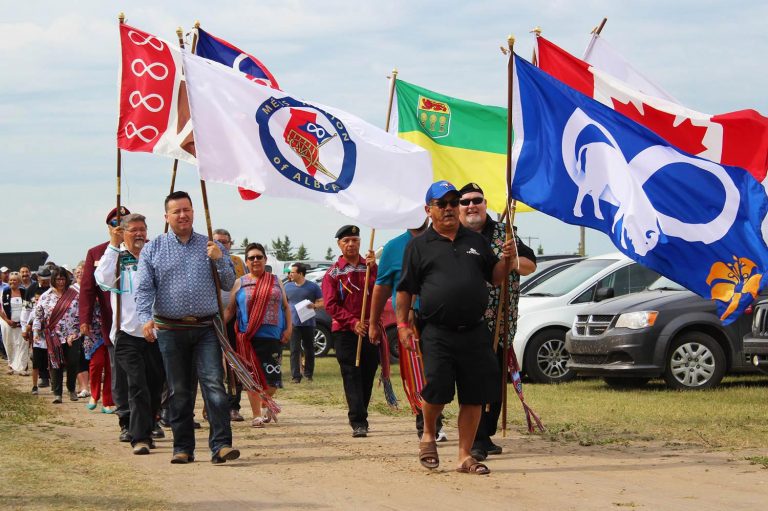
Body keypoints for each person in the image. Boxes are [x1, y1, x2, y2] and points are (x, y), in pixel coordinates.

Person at [396, 180, 514, 475]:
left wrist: (507, 260)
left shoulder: (476, 241)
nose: (449, 208)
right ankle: (427, 435)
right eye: (442, 204)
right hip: (437, 330)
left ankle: (464, 456)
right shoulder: (418, 246)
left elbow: (495, 277)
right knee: (437, 388)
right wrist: (402, 324)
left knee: (475, 394)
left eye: (453, 203)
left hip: (475, 330)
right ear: (429, 210)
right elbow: (405, 289)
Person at [135, 190, 239, 465]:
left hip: (206, 328)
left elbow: (229, 283)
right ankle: (182, 448)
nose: (183, 215)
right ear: (166, 216)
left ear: (194, 212)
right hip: (170, 330)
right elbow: (144, 289)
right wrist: (146, 317)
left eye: (187, 209)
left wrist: (219, 258)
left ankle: (221, 445)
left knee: (214, 386)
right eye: (177, 211)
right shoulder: (153, 248)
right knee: (179, 391)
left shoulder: (211, 246)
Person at [458, 182, 537, 461]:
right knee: (472, 381)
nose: (471, 206)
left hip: (500, 327)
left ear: (485, 203)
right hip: (464, 324)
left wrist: (511, 258)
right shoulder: (452, 237)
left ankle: (485, 434)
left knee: (494, 381)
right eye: (465, 201)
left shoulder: (506, 234)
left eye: (476, 200)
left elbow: (530, 266)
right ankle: (477, 439)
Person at [368, 219, 448, 442]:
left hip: (443, 320)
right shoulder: (394, 247)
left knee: (439, 374)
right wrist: (374, 322)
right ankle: (427, 426)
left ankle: (435, 423)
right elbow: (382, 288)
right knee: (420, 377)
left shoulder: (446, 240)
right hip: (410, 323)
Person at [96, 213, 164, 455]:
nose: (139, 234)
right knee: (137, 386)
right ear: (123, 233)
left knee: (156, 386)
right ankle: (140, 437)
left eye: (142, 229)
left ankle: (149, 424)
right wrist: (113, 246)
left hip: (156, 333)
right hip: (127, 334)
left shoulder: (154, 255)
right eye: (133, 229)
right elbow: (102, 279)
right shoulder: (117, 258)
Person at [224, 243, 292, 428]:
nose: (255, 260)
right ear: (246, 262)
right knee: (251, 378)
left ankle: (265, 403)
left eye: (259, 257)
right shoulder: (240, 283)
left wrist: (289, 328)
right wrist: (217, 327)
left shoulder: (276, 280)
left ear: (265, 259)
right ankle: (256, 416)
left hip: (273, 336)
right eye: (251, 258)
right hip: (248, 337)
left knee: (272, 381)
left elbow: (286, 307)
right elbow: (230, 309)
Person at [321, 225, 380, 438]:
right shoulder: (333, 273)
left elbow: (379, 292)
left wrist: (374, 269)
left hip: (370, 327)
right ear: (339, 244)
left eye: (355, 240)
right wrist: (352, 321)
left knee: (368, 373)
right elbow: (330, 305)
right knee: (351, 373)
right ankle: (358, 421)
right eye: (346, 240)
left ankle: (361, 411)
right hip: (345, 331)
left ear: (360, 242)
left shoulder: (371, 267)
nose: (351, 244)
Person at [81, 207, 131, 441]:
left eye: (124, 221)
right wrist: (84, 319)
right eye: (114, 222)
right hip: (113, 324)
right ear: (108, 226)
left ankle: (153, 416)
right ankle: (126, 419)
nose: (119, 226)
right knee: (118, 372)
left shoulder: (145, 247)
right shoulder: (96, 252)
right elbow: (88, 290)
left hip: (144, 324)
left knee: (150, 375)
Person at [32, 267, 82, 403]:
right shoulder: (45, 296)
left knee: (72, 362)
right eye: (58, 279)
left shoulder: (75, 295)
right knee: (55, 364)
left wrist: (76, 333)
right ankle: (58, 393)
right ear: (53, 280)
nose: (61, 282)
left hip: (72, 335)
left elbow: (81, 315)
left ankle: (71, 388)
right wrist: (36, 332)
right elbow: (38, 316)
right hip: (53, 336)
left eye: (63, 279)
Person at [213, 228, 246, 422]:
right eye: (217, 241)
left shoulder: (238, 262)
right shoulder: (205, 258)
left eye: (224, 242)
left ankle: (233, 406)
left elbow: (247, 285)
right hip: (210, 318)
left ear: (230, 243)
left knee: (234, 364)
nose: (221, 245)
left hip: (234, 318)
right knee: (212, 366)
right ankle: (214, 407)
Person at [285, 263, 323, 383]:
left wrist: (314, 305)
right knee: (294, 350)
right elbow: (284, 304)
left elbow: (322, 302)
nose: (290, 274)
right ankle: (296, 376)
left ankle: (308, 374)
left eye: (293, 272)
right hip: (293, 323)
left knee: (309, 350)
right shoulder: (287, 287)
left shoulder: (313, 287)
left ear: (300, 274)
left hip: (308, 323)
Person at [23, 266, 52, 392]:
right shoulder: (31, 289)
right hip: (35, 327)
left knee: (51, 356)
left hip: (51, 327)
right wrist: (25, 328)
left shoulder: (53, 289)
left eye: (47, 279)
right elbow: (26, 310)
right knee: (36, 356)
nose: (45, 282)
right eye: (43, 279)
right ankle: (38, 380)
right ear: (38, 277)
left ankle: (50, 379)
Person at [1, 272, 28, 375]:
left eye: (15, 280)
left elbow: (29, 308)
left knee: (23, 345)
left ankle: (23, 368)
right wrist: (7, 321)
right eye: (11, 280)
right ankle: (10, 365)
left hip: (22, 324)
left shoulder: (25, 292)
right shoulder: (5, 292)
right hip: (8, 324)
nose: (12, 282)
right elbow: (1, 309)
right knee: (9, 344)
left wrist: (24, 322)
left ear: (19, 281)